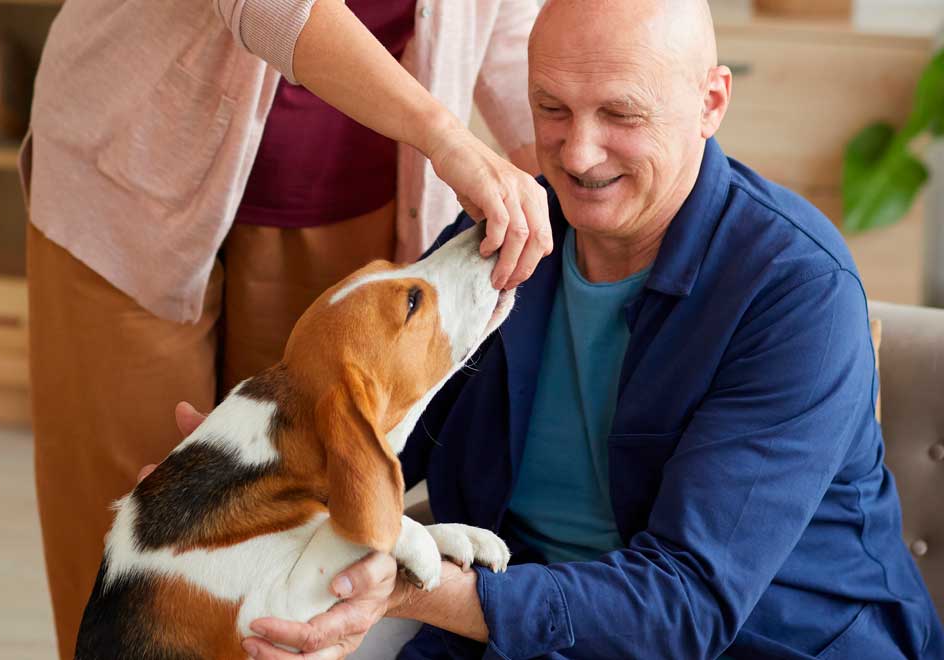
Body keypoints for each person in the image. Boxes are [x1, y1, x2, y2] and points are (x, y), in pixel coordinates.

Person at [236, 0, 944, 658]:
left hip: (770, 643)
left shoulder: (797, 289)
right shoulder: (507, 232)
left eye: (621, 115)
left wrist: (425, 589)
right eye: (551, 108)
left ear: (711, 102)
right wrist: (238, 488)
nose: (576, 155)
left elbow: (685, 604)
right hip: (519, 631)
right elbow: (386, 426)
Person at [21, 0, 552, 658]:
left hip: (348, 202)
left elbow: (505, 29)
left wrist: (573, 175)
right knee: (126, 562)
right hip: (130, 183)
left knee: (307, 604)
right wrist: (444, 135)